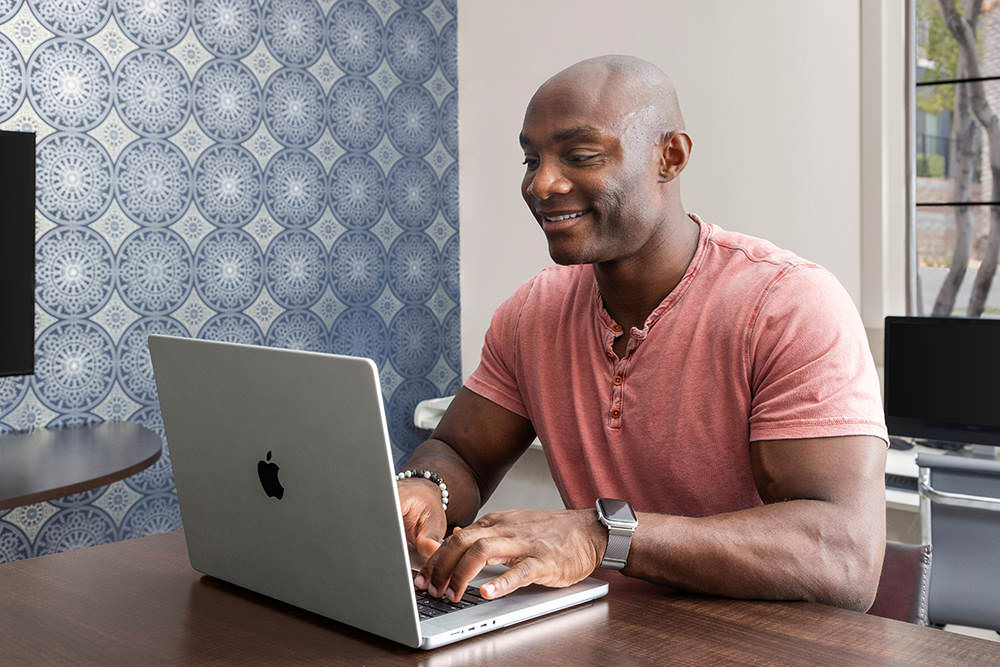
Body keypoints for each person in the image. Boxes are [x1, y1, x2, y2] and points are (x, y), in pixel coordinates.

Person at [396, 55, 888, 612]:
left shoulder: (789, 305)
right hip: (603, 637)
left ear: (670, 157)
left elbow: (843, 557)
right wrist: (424, 488)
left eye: (579, 157)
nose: (542, 184)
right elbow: (460, 451)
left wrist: (603, 534)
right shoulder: (532, 313)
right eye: (531, 159)